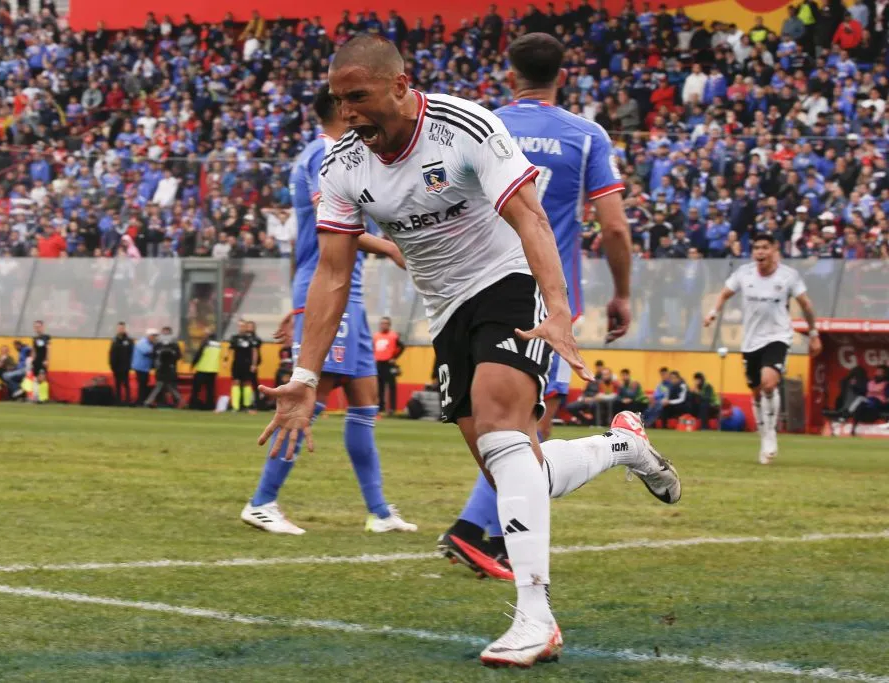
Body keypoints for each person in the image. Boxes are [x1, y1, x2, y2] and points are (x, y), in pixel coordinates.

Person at [258, 35, 679, 668]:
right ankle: (623, 446)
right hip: (446, 310)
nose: (347, 112)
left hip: (510, 282)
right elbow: (333, 273)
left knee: (503, 431)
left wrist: (557, 307)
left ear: (400, 87)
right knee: (513, 470)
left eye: (359, 97)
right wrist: (306, 374)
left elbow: (531, 218)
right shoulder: (341, 164)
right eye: (340, 101)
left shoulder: (465, 127)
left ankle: (535, 620)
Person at [439, 30, 642, 584]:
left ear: (511, 76)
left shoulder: (482, 125)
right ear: (563, 77)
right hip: (543, 294)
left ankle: (495, 538)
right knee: (530, 423)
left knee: (512, 420)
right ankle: (473, 529)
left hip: (473, 290)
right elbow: (615, 227)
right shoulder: (586, 136)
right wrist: (622, 293)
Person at [242, 83, 416, 535]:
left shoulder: (319, 154)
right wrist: (391, 248)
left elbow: (306, 238)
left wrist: (297, 300)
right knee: (312, 395)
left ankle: (379, 512)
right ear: (344, 109)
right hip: (331, 287)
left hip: (341, 291)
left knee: (365, 399)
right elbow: (333, 226)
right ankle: (262, 501)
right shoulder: (325, 154)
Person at [705, 232, 822, 464]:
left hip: (778, 336)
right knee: (756, 390)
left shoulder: (788, 276)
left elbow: (806, 305)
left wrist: (814, 334)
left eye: (765, 247)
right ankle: (763, 432)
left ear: (774, 250)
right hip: (751, 341)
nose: (760, 252)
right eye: (756, 247)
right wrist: (713, 312)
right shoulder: (744, 274)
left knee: (769, 383)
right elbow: (724, 294)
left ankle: (770, 435)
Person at [144, 327, 182, 408]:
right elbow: (154, 355)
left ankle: (179, 401)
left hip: (169, 368)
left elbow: (178, 356)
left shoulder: (173, 345)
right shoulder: (159, 344)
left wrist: (171, 358)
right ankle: (179, 401)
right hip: (162, 368)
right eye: (164, 333)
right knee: (164, 385)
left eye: (167, 333)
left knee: (167, 385)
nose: (165, 335)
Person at [373, 316, 404, 416]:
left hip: (389, 364)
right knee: (379, 387)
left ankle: (392, 409)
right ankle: (380, 408)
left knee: (391, 386)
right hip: (378, 363)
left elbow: (402, 347)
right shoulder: (376, 336)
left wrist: (394, 357)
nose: (384, 325)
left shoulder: (393, 336)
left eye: (386, 323)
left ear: (389, 325)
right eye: (382, 323)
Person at [225, 320, 258, 412]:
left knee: (247, 383)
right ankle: (235, 407)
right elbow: (229, 350)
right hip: (237, 364)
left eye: (243, 326)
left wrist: (254, 364)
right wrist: (225, 360)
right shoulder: (234, 338)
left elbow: (254, 352)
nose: (241, 328)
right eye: (239, 326)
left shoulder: (251, 339)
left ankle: (247, 406)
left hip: (247, 364)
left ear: (246, 327)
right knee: (236, 383)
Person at [190, 326, 221, 410]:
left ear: (208, 335)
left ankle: (193, 405)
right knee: (210, 390)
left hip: (202, 368)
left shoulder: (206, 343)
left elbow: (199, 354)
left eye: (205, 333)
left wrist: (193, 364)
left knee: (196, 388)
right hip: (213, 369)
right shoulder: (218, 344)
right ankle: (210, 406)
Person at [108, 321, 133, 404]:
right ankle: (118, 400)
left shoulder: (129, 340)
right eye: (119, 328)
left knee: (126, 384)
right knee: (117, 384)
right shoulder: (114, 340)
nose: (120, 329)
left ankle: (128, 400)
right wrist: (111, 364)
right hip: (116, 366)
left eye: (122, 328)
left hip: (125, 366)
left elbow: (131, 353)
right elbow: (111, 353)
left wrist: (130, 364)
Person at [132, 329, 158, 405]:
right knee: (142, 384)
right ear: (149, 336)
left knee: (144, 384)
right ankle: (140, 401)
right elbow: (148, 352)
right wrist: (158, 348)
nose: (155, 338)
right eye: (153, 336)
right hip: (140, 368)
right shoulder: (142, 343)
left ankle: (142, 400)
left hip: (145, 368)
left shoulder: (150, 344)